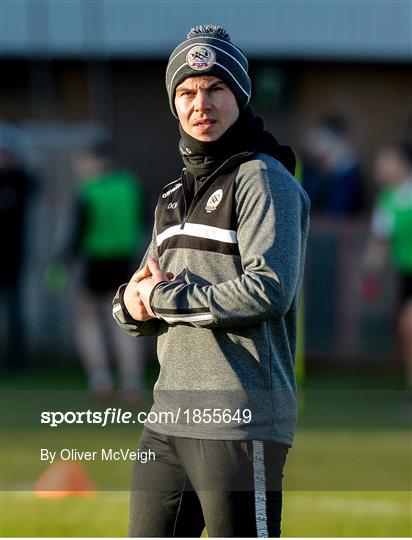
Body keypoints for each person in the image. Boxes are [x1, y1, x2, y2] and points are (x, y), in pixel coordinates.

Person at [113, 25, 310, 537]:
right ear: (174, 105)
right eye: (187, 91)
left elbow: (269, 288)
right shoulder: (172, 195)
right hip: (168, 417)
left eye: (215, 88)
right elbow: (144, 290)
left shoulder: (264, 179)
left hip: (240, 419)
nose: (201, 104)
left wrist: (163, 300)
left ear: (240, 96)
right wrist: (132, 306)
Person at [52, 142, 147, 402]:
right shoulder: (130, 185)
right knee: (124, 323)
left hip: (94, 262)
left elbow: (76, 233)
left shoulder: (88, 191)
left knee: (87, 321)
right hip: (126, 262)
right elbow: (143, 222)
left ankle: (101, 377)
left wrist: (60, 265)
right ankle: (131, 382)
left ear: (94, 162)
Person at [363, 142, 412, 391]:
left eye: (385, 161)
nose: (379, 167)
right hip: (405, 275)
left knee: (408, 324)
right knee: (407, 335)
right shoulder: (387, 200)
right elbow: (380, 242)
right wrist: (370, 276)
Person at [0, 145, 36, 373]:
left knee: (14, 310)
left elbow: (31, 181)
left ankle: (16, 361)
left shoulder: (20, 182)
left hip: (13, 260)